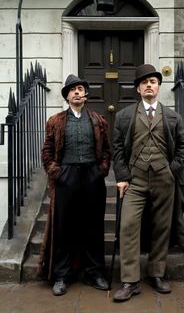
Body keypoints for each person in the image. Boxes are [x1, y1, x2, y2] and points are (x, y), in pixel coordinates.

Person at [112, 64, 184, 302]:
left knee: (161, 227)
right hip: (134, 180)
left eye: (153, 82)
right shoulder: (124, 116)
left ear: (158, 87)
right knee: (128, 226)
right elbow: (117, 150)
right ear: (138, 88)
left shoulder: (173, 117)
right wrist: (123, 177)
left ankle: (157, 273)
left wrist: (171, 170)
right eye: (144, 82)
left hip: (164, 179)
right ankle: (130, 280)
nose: (149, 85)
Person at [37, 74, 111, 296]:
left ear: (85, 95)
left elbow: (107, 150)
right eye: (73, 90)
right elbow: (47, 151)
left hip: (92, 176)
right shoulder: (56, 121)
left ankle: (95, 273)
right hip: (66, 176)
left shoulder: (99, 120)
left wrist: (101, 171)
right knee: (64, 227)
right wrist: (55, 172)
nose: (77, 92)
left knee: (93, 227)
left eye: (80, 89)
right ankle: (62, 275)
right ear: (67, 96)